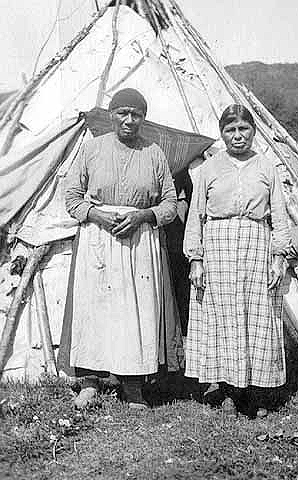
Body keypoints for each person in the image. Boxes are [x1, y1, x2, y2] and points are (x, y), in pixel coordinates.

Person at [61, 88, 181, 409]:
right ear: (112, 115)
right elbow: (71, 195)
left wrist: (145, 215)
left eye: (136, 114)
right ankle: (89, 382)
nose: (129, 120)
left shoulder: (153, 153)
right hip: (98, 239)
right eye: (122, 113)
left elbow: (170, 203)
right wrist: (97, 215)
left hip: (139, 241)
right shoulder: (92, 149)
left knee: (135, 312)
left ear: (143, 118)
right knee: (95, 308)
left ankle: (133, 388)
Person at [183, 104, 291, 417]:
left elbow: (279, 217)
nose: (238, 136)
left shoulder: (266, 167)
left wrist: (279, 255)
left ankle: (256, 394)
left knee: (257, 317)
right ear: (222, 134)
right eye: (230, 130)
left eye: (243, 129)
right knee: (224, 318)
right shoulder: (210, 169)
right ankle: (228, 392)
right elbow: (195, 217)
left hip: (257, 246)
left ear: (253, 132)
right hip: (218, 248)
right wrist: (196, 259)